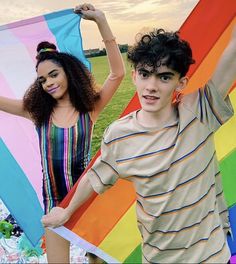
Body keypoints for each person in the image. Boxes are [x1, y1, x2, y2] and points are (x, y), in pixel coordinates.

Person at [42, 26, 236, 263]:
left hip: (212, 256)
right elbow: (95, 176)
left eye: (164, 77)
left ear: (181, 82)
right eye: (145, 74)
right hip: (158, 257)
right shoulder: (119, 135)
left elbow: (232, 53)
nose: (151, 86)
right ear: (134, 76)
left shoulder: (199, 111)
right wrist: (67, 211)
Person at [0, 3, 125, 263]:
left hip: (89, 195)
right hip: (54, 202)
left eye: (53, 75)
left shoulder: (89, 108)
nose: (48, 83)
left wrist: (101, 21)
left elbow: (117, 73)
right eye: (42, 80)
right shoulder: (37, 113)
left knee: (99, 259)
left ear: (69, 73)